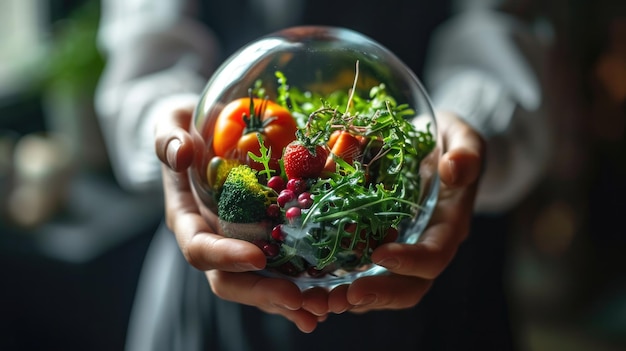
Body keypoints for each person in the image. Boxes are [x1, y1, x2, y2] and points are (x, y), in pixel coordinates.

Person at [95, 0, 551, 349]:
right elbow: (145, 57)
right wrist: (171, 124)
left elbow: (503, 21)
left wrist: (467, 125)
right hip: (226, 257)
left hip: (425, 253)